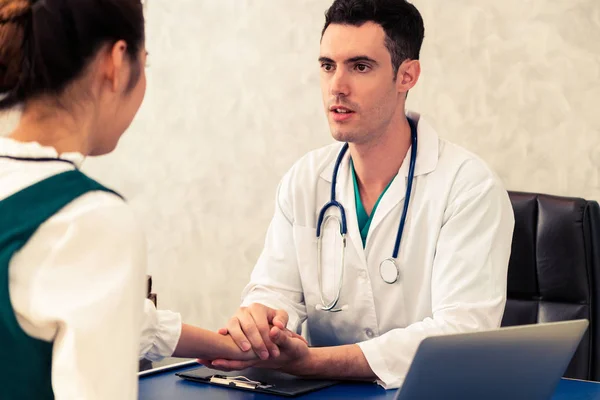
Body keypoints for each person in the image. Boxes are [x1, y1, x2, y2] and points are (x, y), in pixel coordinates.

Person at [199, 0, 515, 389]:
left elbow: (460, 336)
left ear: (407, 76)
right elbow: (276, 290)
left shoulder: (468, 187)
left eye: (360, 66)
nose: (337, 86)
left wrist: (311, 362)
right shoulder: (304, 180)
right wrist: (262, 325)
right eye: (328, 66)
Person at [0, 1, 258, 398]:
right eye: (146, 63)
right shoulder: (88, 217)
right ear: (117, 62)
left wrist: (230, 347)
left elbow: (97, 311)